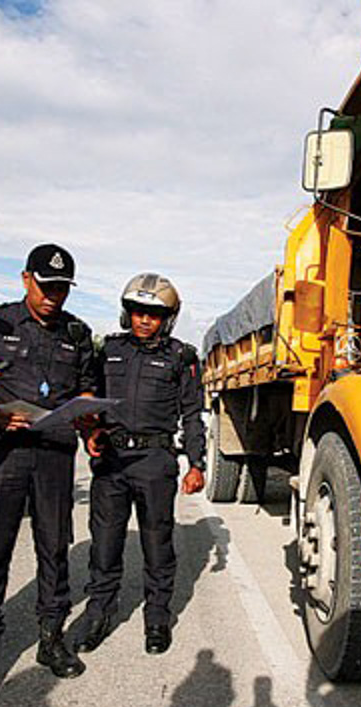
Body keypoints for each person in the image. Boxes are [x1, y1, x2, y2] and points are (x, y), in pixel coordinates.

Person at [0, 244, 98, 699]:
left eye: (62, 289)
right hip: (5, 449)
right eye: (46, 286)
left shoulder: (78, 333)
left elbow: (88, 389)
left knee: (54, 547)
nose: (53, 296)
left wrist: (87, 412)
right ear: (25, 279)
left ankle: (51, 640)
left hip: (55, 452)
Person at [74, 273, 206, 656]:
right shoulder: (109, 350)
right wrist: (90, 433)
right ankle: (98, 614)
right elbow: (88, 399)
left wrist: (196, 464)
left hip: (155, 462)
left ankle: (158, 619)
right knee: (104, 545)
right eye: (137, 312)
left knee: (157, 544)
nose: (145, 320)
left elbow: (193, 415)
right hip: (112, 462)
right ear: (126, 313)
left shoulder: (181, 357)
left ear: (168, 318)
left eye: (154, 314)